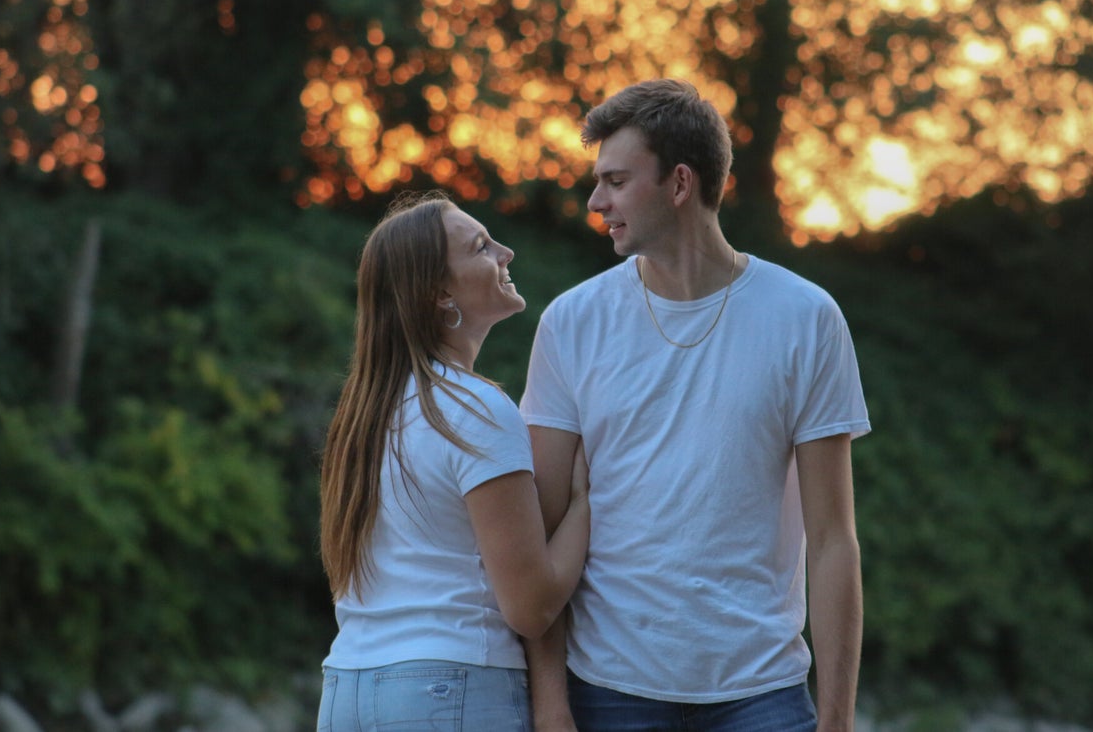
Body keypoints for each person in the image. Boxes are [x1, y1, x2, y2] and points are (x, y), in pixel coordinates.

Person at [519, 79, 871, 732]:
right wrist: (550, 704)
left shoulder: (805, 318)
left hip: (762, 695)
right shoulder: (572, 323)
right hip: (607, 690)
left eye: (616, 181)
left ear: (680, 183)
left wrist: (837, 720)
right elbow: (541, 529)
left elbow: (832, 541)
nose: (596, 202)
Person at [317, 192, 591, 731]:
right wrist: (586, 502)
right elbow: (531, 607)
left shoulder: (361, 419)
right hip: (448, 686)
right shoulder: (475, 409)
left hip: (346, 687)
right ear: (440, 293)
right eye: (482, 247)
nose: (506, 253)